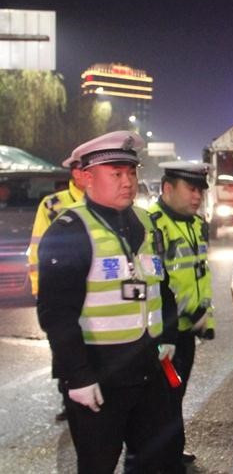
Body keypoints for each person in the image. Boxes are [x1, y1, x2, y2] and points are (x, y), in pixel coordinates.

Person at [36, 131, 178, 473]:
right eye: (116, 174)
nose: (127, 182)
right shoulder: (70, 230)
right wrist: (78, 377)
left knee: (157, 462)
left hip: (149, 369)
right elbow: (56, 313)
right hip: (99, 375)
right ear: (85, 177)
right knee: (98, 464)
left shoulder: (146, 222)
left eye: (131, 173)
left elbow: (162, 285)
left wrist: (168, 335)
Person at [148, 161, 214, 466]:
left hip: (186, 332)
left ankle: (172, 452)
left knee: (175, 395)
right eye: (191, 189)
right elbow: (153, 286)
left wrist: (205, 321)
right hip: (162, 334)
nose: (197, 196)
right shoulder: (151, 225)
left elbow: (201, 277)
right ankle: (162, 459)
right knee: (162, 400)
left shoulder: (197, 225)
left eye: (200, 189)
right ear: (167, 188)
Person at [27, 152, 86, 422]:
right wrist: (40, 290)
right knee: (65, 347)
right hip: (62, 289)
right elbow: (38, 249)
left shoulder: (108, 202)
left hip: (97, 291)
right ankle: (69, 397)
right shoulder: (53, 205)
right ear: (76, 173)